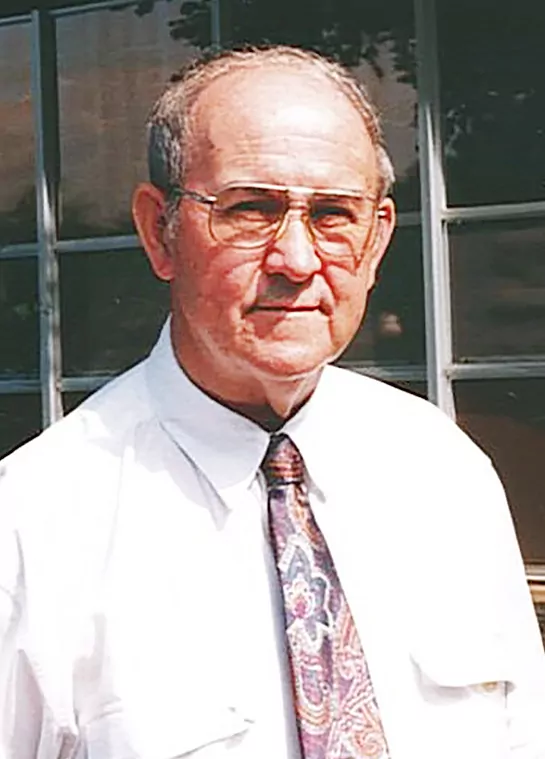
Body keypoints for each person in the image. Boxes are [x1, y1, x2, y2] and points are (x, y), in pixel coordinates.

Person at [0, 45, 544, 759]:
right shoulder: (34, 523)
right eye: (250, 210)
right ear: (159, 231)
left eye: (333, 214)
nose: (296, 259)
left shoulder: (443, 471)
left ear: (377, 241)